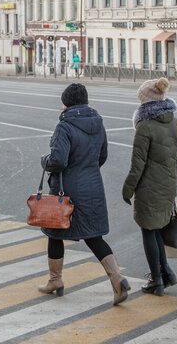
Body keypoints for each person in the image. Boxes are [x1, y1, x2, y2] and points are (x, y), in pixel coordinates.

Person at [38, 83, 130, 306]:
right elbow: (102, 156)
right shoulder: (98, 123)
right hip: (93, 187)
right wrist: (87, 169)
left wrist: (45, 161)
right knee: (94, 236)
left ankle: (55, 280)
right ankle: (117, 280)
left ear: (65, 103)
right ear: (87, 102)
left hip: (66, 190)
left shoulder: (65, 126)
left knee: (55, 233)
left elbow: (58, 160)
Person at [122, 77, 177, 296]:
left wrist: (127, 190)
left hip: (149, 188)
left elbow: (137, 165)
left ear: (146, 102)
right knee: (157, 230)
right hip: (168, 185)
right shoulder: (174, 123)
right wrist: (174, 187)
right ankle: (166, 273)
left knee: (149, 231)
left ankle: (156, 280)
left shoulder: (144, 127)